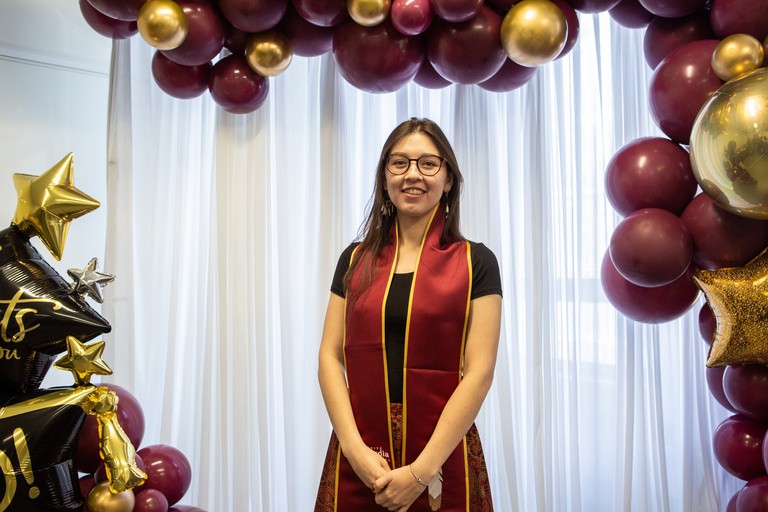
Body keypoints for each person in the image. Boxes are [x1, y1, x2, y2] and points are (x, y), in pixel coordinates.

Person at [315, 118, 502, 512]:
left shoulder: (477, 263)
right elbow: (330, 356)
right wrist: (353, 449)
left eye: (428, 164)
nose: (412, 174)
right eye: (398, 163)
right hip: (361, 456)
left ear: (449, 178)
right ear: (384, 178)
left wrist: (420, 472)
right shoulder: (354, 260)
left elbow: (480, 371)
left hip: (441, 457)